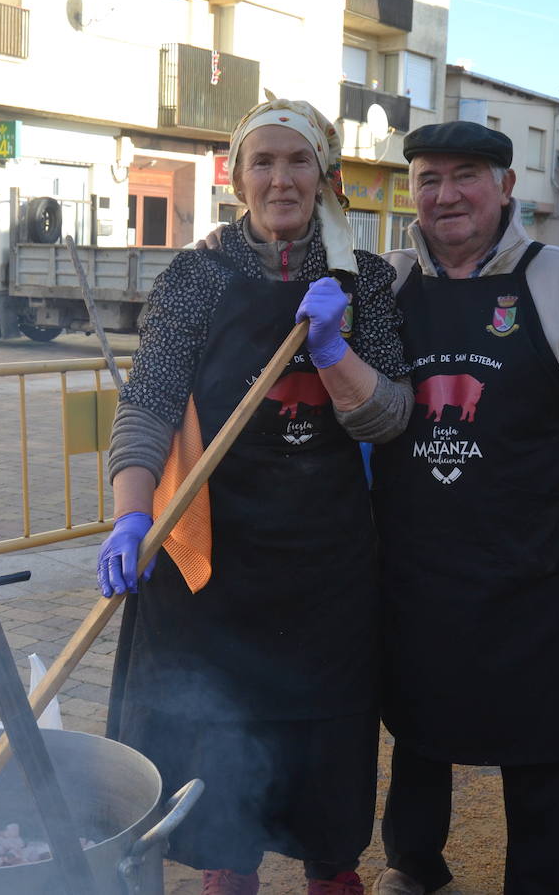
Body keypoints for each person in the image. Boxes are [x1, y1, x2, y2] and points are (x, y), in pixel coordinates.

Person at [99, 96, 415, 895]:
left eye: (298, 160)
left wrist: (334, 349)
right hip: (213, 571)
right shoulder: (197, 278)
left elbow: (388, 419)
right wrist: (132, 516)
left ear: (325, 174)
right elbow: (148, 408)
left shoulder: (366, 280)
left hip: (327, 572)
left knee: (329, 770)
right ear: (237, 176)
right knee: (218, 782)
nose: (281, 178)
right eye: (263, 162)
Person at [369, 122, 559, 895]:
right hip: (418, 568)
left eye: (467, 175)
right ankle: (413, 867)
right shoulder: (385, 284)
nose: (445, 194)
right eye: (428, 178)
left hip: (540, 572)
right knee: (419, 735)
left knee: (545, 745)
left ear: (506, 188)